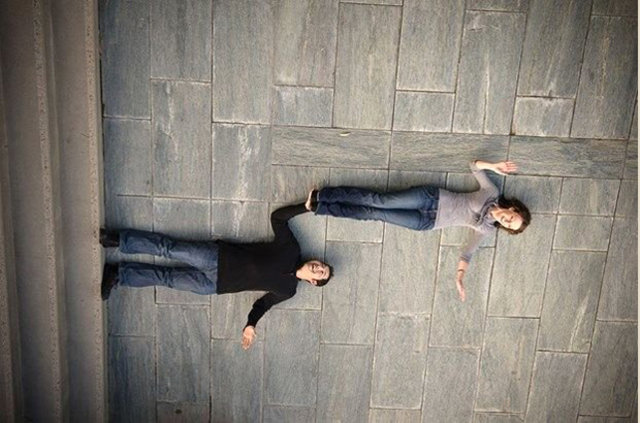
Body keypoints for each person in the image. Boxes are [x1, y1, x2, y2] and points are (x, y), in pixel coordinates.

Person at [100, 203, 332, 350]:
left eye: (321, 273)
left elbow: (262, 304)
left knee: (166, 278)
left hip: (214, 285)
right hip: (216, 257)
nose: (319, 268)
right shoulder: (291, 249)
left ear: (313, 282)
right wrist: (305, 207)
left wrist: (251, 325)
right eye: (322, 265)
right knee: (168, 248)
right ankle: (118, 240)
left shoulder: (288, 290)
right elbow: (278, 218)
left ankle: (118, 274)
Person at [305, 160, 530, 302]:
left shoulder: (486, 229)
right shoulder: (491, 192)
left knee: (375, 213)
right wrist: (494, 167)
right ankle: (323, 195)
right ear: (512, 209)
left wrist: (460, 278)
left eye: (509, 225)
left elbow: (467, 254)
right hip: (429, 197)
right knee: (379, 200)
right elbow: (474, 165)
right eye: (512, 218)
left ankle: (322, 208)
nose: (507, 221)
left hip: (425, 222)